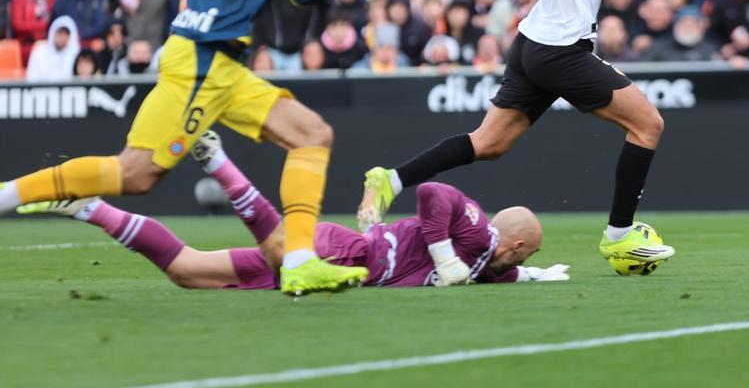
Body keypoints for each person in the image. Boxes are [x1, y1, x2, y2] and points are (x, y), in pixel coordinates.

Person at [0, 0, 383, 297]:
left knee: (311, 134)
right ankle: (9, 195)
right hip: (206, 63)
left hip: (213, 62)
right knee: (135, 174)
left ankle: (301, 260)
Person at [359, 0, 720, 271]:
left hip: (533, 46)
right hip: (560, 51)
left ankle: (390, 179)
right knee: (648, 124)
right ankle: (620, 237)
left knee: (487, 143)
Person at [19, 132, 567, 290]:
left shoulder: (498, 265)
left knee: (188, 273)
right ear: (513, 242)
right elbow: (434, 196)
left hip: (348, 264)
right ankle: (220, 162)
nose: (523, 260)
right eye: (530, 252)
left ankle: (89, 208)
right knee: (282, 246)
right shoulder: (478, 234)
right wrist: (445, 256)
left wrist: (542, 273)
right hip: (347, 251)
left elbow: (511, 273)